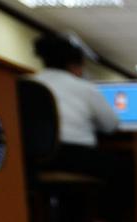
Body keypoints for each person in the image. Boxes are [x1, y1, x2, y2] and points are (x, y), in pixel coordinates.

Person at [30, 34, 120, 177]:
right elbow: (111, 126)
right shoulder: (85, 88)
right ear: (73, 65)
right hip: (74, 157)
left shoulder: (27, 82)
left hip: (30, 158)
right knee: (122, 167)